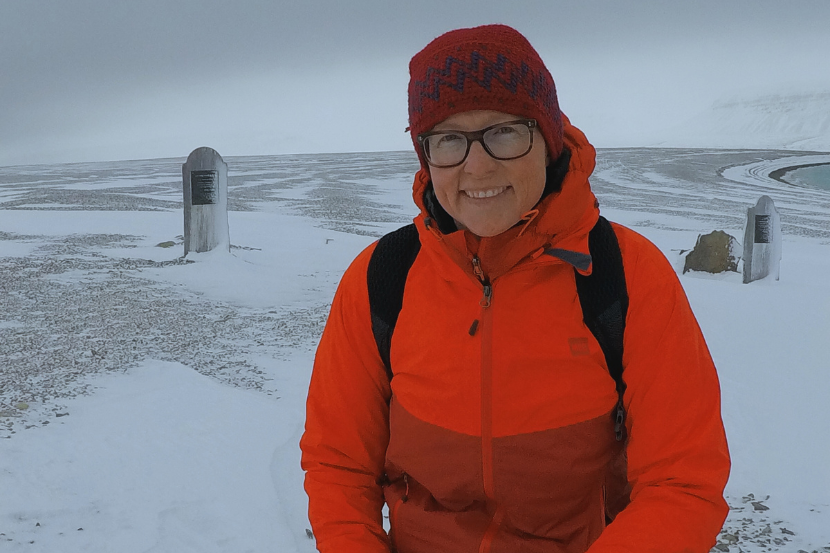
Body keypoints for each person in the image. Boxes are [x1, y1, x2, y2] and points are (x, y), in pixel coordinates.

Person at [300, 24, 730, 553]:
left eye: (504, 131)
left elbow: (683, 480)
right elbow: (338, 464)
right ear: (425, 156)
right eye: (448, 139)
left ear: (547, 139)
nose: (478, 165)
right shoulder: (382, 277)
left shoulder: (627, 275)